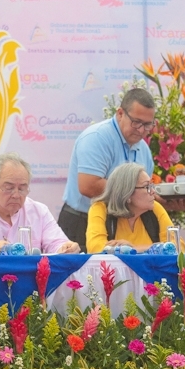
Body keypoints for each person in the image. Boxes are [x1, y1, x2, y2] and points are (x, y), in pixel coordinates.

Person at [60, 88, 157, 251]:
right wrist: (131, 191)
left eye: (147, 124)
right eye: (136, 122)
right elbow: (89, 186)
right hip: (82, 221)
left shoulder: (144, 149)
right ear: (120, 113)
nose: (141, 130)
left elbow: (142, 191)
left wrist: (168, 200)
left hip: (120, 225)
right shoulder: (97, 137)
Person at [0, 152, 80, 254]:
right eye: (9, 188)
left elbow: (57, 244)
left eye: (22, 188)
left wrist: (67, 248)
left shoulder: (39, 211)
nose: (16, 195)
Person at [86, 163, 184, 254]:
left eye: (151, 185)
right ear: (127, 193)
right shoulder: (100, 208)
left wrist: (133, 249)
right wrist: (155, 248)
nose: (153, 191)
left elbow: (178, 247)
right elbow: (96, 248)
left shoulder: (155, 208)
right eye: (146, 187)